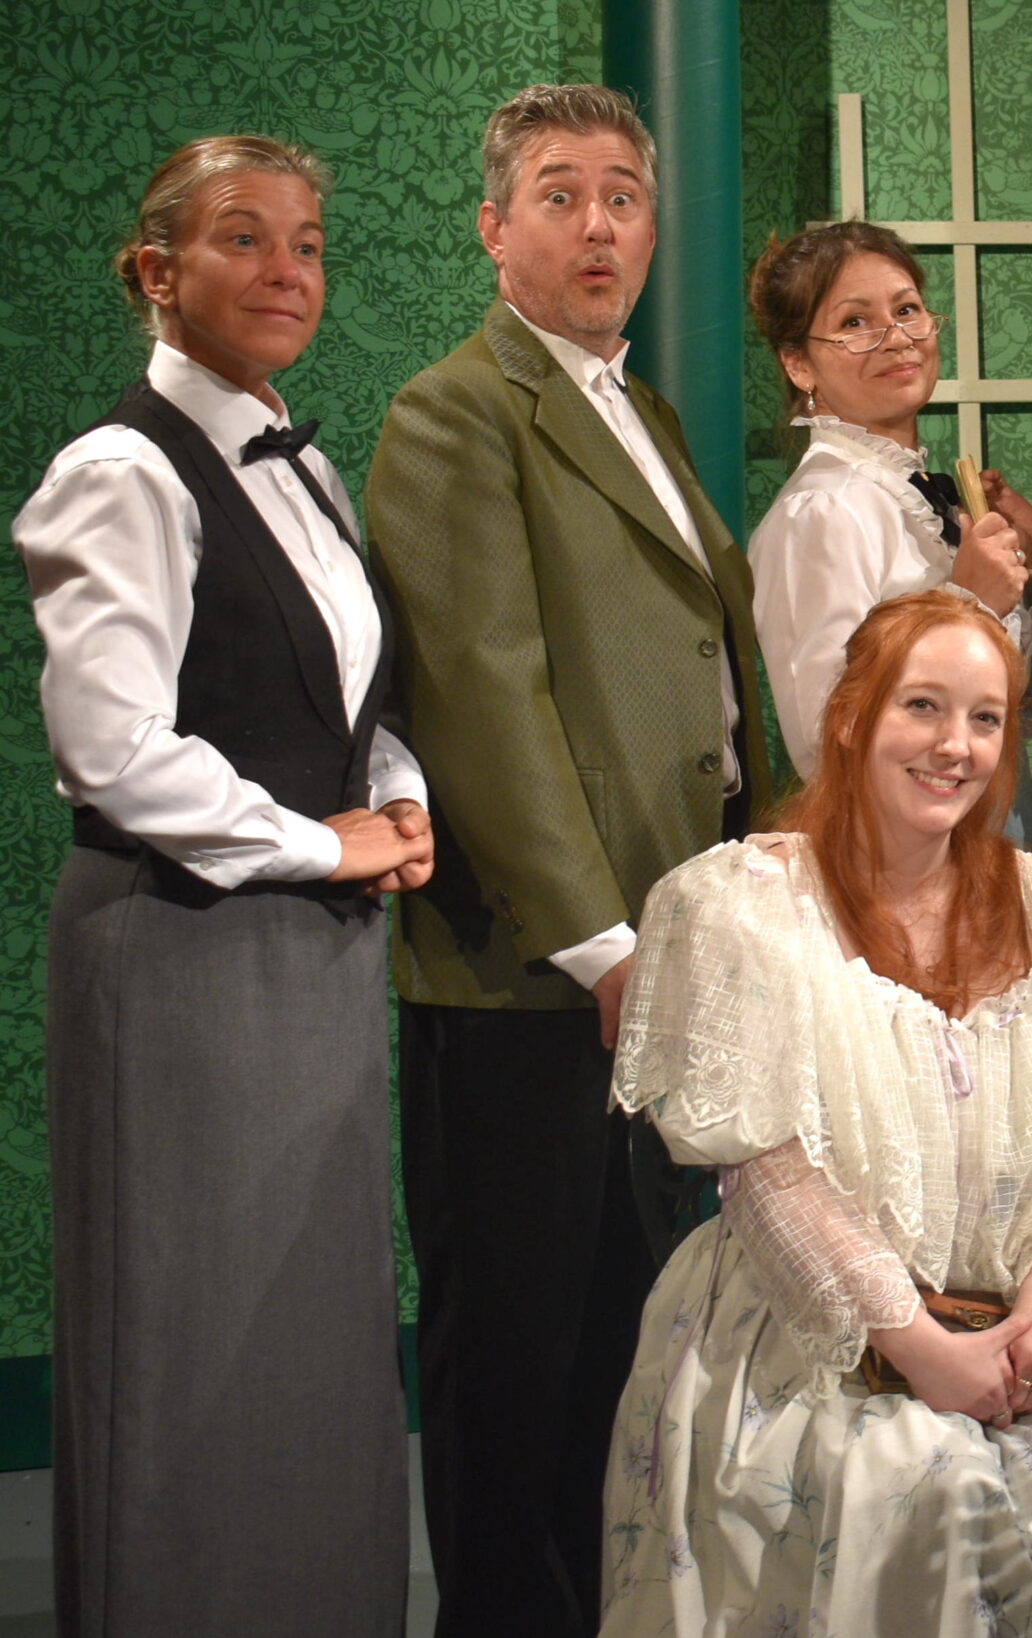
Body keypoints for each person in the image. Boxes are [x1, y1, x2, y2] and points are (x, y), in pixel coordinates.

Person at [598, 589, 1032, 1636]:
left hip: (1021, 1326)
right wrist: (920, 1347)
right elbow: (766, 1174)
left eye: (984, 718)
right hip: (818, 1337)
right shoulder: (745, 908)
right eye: (921, 708)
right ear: (850, 717)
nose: (955, 746)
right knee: (928, 1493)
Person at [365, 83, 773, 1636]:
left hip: (673, 943)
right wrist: (602, 946)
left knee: (627, 1343)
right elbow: (479, 691)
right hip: (537, 975)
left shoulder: (640, 404)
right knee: (517, 1367)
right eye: (559, 193)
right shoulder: (456, 410)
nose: (598, 223)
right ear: (492, 227)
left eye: (622, 197)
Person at [14, 134, 434, 1636]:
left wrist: (395, 789)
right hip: (180, 955)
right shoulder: (121, 469)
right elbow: (112, 750)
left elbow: (346, 693)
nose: (285, 271)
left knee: (301, 1347)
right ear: (155, 271)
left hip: (308, 951)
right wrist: (331, 843)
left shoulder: (300, 456)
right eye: (243, 239)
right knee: (185, 1350)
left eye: (308, 242)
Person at [747, 221, 1032, 842]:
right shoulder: (821, 512)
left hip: (994, 835)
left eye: (908, 310)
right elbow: (824, 740)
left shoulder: (917, 497)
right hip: (904, 857)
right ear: (798, 363)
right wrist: (968, 605)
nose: (896, 338)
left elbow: (1029, 714)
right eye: (855, 323)